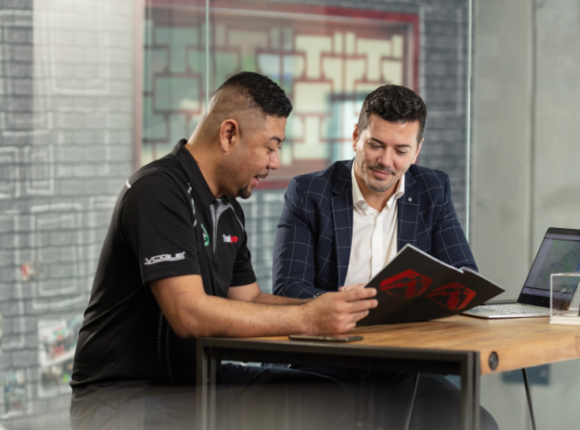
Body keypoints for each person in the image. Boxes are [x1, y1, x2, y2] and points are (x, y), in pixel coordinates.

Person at [69, 72, 377, 430]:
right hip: (121, 396)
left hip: (196, 383)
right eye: (271, 146)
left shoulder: (228, 210)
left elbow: (249, 301)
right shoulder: (157, 192)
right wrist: (308, 319)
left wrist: (332, 309)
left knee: (328, 398)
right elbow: (188, 314)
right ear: (229, 134)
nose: (275, 161)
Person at [274, 84, 494, 429]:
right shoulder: (309, 193)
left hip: (404, 365)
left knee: (476, 423)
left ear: (417, 151)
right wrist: (339, 303)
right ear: (355, 137)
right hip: (325, 360)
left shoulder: (432, 190)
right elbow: (288, 287)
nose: (385, 161)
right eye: (376, 144)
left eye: (400, 150)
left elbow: (463, 272)